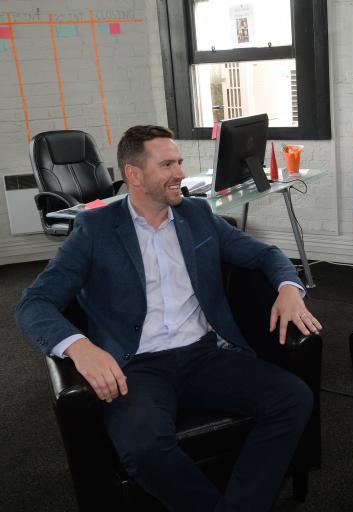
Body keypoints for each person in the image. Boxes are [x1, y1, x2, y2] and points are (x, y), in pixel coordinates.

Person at [16, 125, 322, 512]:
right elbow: (34, 303)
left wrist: (289, 288)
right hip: (136, 367)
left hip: (203, 355)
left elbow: (265, 255)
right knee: (143, 447)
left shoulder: (197, 214)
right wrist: (80, 347)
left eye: (178, 162)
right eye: (167, 164)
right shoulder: (95, 230)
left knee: (293, 398)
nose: (179, 172)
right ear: (134, 175)